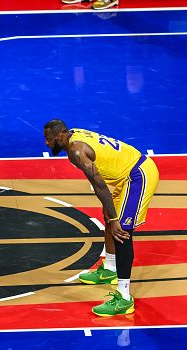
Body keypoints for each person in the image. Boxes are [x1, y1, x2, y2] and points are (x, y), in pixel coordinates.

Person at [43, 120, 159, 316]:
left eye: (49, 139)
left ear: (60, 136)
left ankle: (123, 298)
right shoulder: (74, 133)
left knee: (121, 230)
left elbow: (99, 184)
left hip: (138, 176)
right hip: (127, 174)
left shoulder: (76, 152)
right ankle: (110, 268)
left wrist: (115, 219)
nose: (46, 143)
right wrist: (110, 213)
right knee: (109, 217)